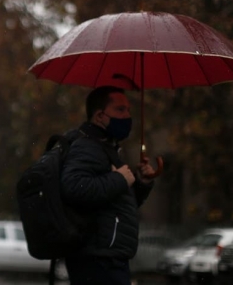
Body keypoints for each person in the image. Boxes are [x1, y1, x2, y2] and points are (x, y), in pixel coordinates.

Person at [61, 85, 160, 285]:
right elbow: (73, 187)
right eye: (120, 110)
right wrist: (119, 179)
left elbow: (117, 205)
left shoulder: (106, 148)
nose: (127, 116)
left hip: (107, 256)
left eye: (129, 110)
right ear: (99, 116)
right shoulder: (88, 146)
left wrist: (141, 182)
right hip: (97, 259)